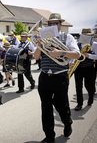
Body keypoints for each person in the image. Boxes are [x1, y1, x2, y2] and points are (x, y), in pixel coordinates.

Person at [34, 13, 80, 143]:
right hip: (44, 77)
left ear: (60, 24)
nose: (53, 25)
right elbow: (36, 57)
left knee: (61, 105)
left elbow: (77, 55)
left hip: (60, 77)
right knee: (46, 108)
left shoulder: (68, 37)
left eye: (55, 23)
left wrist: (61, 52)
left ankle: (67, 122)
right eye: (50, 23)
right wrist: (39, 45)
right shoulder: (43, 38)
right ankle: (49, 136)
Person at [73, 28, 96, 111]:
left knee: (88, 85)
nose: (87, 36)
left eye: (89, 35)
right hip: (78, 68)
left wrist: (88, 55)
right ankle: (79, 104)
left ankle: (90, 98)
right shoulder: (76, 44)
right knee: (78, 87)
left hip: (89, 68)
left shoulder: (94, 44)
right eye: (86, 35)